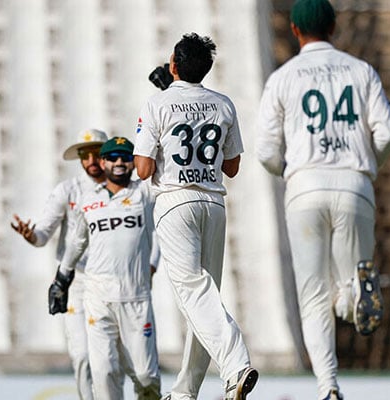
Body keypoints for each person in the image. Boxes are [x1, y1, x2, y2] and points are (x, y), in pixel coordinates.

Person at [256, 1, 390, 399]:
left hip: (305, 186)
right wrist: (369, 166)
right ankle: (354, 294)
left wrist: (290, 170)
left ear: (295, 31)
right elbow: (387, 133)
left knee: (313, 292)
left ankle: (328, 385)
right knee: (350, 280)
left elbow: (265, 150)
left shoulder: (282, 77)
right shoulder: (360, 70)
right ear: (335, 26)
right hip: (355, 183)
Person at [133, 33, 258, 400]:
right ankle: (186, 391)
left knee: (195, 294)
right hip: (214, 204)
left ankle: (236, 365)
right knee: (204, 298)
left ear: (173, 63)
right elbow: (232, 167)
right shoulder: (223, 104)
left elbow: (142, 169)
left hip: (175, 201)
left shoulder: (157, 102)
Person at [50, 137, 161, 400]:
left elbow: (159, 233)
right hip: (98, 299)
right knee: (104, 372)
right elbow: (76, 242)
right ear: (103, 162)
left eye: (125, 157)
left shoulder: (145, 193)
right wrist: (61, 279)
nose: (119, 162)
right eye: (112, 157)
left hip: (136, 299)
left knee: (146, 376)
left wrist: (153, 265)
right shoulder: (88, 201)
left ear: (133, 163)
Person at [10, 128, 109, 400]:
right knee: (82, 355)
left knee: (111, 361)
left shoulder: (122, 190)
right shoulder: (68, 190)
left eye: (96, 154)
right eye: (85, 155)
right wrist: (31, 235)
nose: (91, 161)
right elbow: (43, 234)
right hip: (75, 282)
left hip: (111, 283)